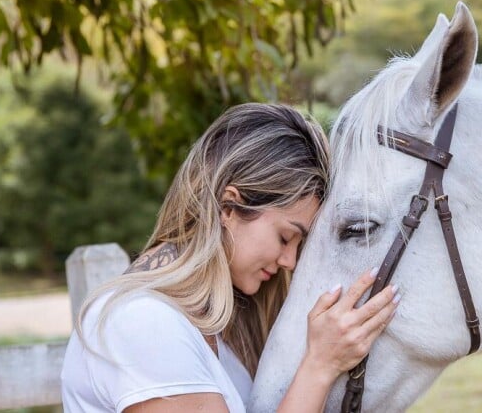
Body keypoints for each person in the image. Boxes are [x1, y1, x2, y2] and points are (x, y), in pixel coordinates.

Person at [61, 103, 399, 412]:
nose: (290, 261)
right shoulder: (143, 322)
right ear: (228, 206)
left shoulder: (213, 328)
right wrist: (320, 365)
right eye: (285, 237)